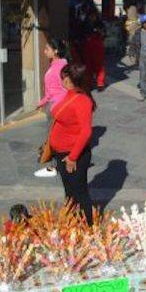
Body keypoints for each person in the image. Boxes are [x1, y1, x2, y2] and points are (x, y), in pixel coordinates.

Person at [48, 63, 96, 223]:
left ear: (76, 81)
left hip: (72, 154)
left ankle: (89, 227)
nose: (63, 82)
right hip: (61, 152)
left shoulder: (82, 100)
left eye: (67, 80)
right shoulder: (70, 94)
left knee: (80, 193)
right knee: (70, 192)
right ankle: (72, 223)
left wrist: (73, 157)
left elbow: (86, 131)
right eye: (63, 79)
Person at [34, 38, 69, 178]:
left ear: (56, 51)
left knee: (55, 136)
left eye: (47, 49)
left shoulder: (61, 66)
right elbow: (51, 89)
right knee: (54, 135)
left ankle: (55, 165)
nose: (44, 51)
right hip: (52, 104)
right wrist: (43, 102)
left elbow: (66, 88)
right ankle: (58, 161)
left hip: (58, 106)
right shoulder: (54, 63)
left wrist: (61, 106)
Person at [81, 11, 106, 90]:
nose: (92, 17)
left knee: (99, 65)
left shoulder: (100, 24)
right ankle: (89, 83)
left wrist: (98, 32)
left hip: (97, 45)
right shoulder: (84, 23)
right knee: (88, 66)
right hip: (88, 45)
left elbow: (104, 34)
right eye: (91, 15)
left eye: (94, 15)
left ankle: (100, 83)